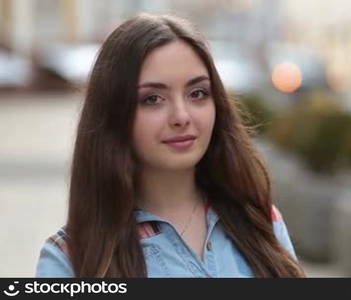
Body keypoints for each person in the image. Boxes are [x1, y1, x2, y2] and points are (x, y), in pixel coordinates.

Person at [35, 13, 305, 278]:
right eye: (152, 99)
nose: (181, 117)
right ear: (114, 114)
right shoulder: (71, 259)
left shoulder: (259, 221)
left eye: (197, 93)